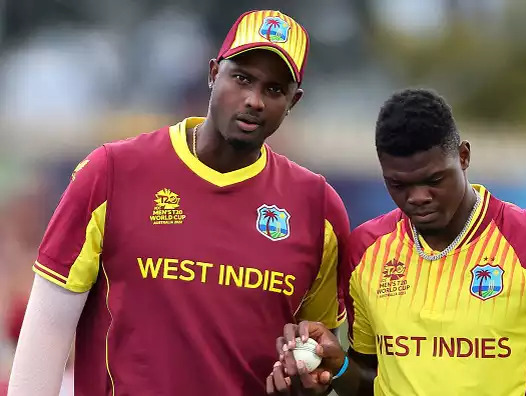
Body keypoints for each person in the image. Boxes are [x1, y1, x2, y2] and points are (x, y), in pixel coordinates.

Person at [8, 10, 350, 396]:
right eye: (241, 78)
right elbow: (48, 327)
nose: (253, 100)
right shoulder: (111, 173)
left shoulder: (317, 207)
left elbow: (318, 352)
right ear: (212, 73)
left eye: (274, 90)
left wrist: (315, 378)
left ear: (294, 101)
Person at [267, 88, 526, 395]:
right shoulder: (365, 251)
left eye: (434, 180)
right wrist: (336, 368)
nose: (418, 197)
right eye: (399, 184)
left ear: (463, 156)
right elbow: (371, 381)